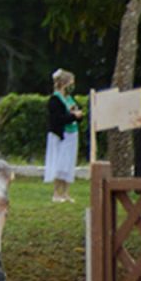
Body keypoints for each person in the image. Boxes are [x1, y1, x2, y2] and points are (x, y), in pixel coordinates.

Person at [44, 69, 83, 202]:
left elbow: (75, 114)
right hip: (61, 135)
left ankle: (66, 192)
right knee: (59, 164)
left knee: (68, 164)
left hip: (72, 134)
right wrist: (72, 116)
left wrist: (77, 116)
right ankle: (56, 193)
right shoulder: (55, 100)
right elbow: (57, 119)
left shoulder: (69, 99)